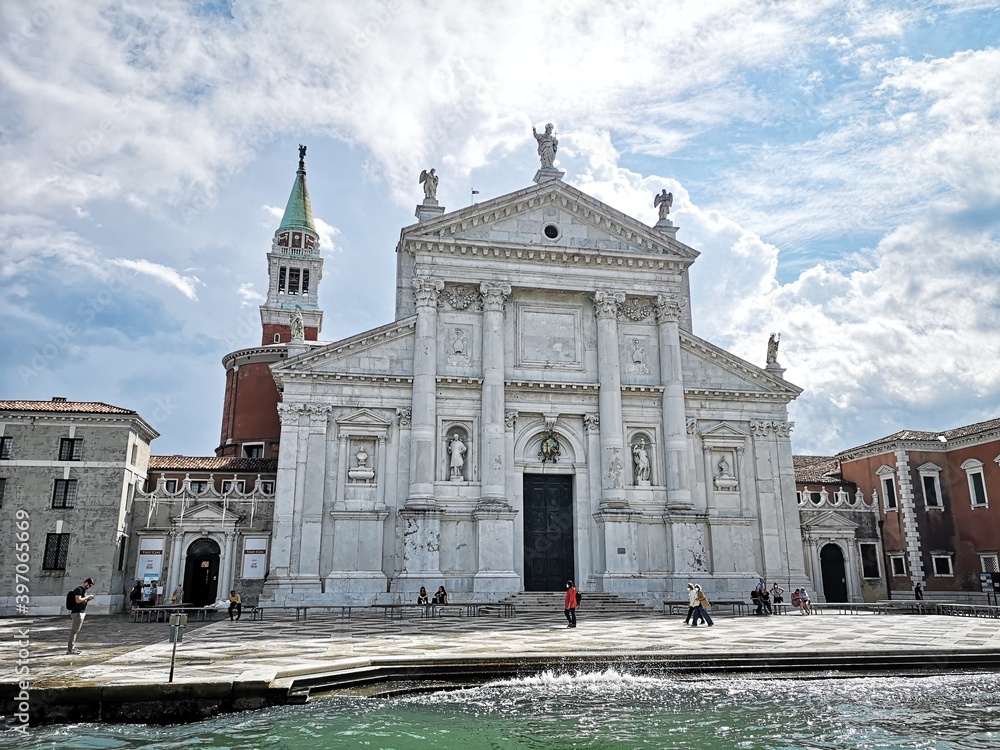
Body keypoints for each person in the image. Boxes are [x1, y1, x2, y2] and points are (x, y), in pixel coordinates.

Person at [67, 577, 96, 654]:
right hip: (77, 613)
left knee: (76, 631)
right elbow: (78, 600)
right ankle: (70, 649)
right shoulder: (79, 589)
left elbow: (82, 600)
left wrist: (89, 599)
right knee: (74, 631)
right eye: (89, 585)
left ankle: (72, 647)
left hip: (81, 612)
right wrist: (87, 597)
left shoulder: (83, 591)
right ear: (86, 583)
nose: (89, 587)